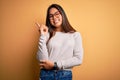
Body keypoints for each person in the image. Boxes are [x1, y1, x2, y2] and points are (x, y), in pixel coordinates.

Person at [36, 4, 83, 80]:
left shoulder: (75, 35)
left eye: (57, 14)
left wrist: (55, 65)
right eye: (51, 16)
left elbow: (78, 59)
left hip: (65, 75)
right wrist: (42, 36)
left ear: (62, 14)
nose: (54, 18)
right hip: (46, 75)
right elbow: (43, 61)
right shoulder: (47, 35)